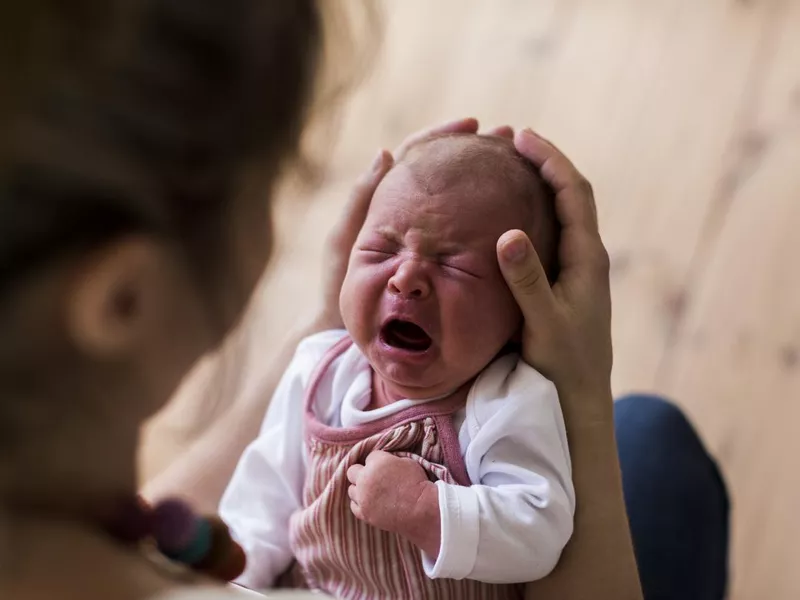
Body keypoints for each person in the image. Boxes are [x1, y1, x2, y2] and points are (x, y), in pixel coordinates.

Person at [0, 2, 727, 600]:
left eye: (454, 267)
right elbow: (265, 491)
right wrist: (586, 411)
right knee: (651, 444)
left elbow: (535, 514)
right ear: (124, 299)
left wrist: (329, 322)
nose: (406, 278)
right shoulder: (324, 381)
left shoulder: (497, 398)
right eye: (273, 182)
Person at [219, 133, 574, 597]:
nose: (405, 279)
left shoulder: (509, 401)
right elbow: (261, 502)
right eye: (381, 252)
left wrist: (427, 508)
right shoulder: (319, 373)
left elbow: (540, 531)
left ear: (519, 312)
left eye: (454, 266)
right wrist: (234, 580)